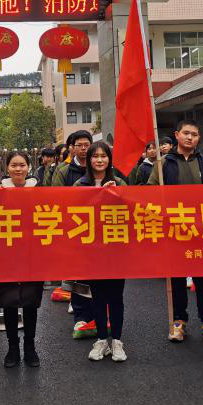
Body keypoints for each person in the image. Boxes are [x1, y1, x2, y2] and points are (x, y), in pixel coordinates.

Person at [149, 120, 203, 346]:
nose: (190, 137)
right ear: (177, 135)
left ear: (198, 138)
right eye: (186, 133)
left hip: (201, 231)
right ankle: (178, 321)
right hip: (174, 231)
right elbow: (150, 192)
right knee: (177, 279)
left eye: (194, 134)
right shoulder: (164, 163)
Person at [73, 141, 129, 362]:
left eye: (103, 156)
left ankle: (117, 341)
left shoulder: (120, 182)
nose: (99, 160)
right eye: (95, 156)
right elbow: (72, 212)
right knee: (97, 297)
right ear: (89, 160)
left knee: (116, 297)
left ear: (109, 159)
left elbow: (131, 211)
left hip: (116, 249)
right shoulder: (80, 184)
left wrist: (116, 194)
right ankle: (101, 339)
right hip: (91, 250)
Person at [0, 151, 43, 367]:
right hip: (6, 255)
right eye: (14, 165)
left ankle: (30, 347)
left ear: (28, 167)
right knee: (9, 302)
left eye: (22, 165)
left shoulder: (39, 190)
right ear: (7, 168)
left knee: (31, 302)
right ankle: (12, 347)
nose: (18, 169)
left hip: (32, 253)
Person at [51, 130, 97, 338]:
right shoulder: (63, 171)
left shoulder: (100, 166)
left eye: (87, 144)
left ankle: (99, 314)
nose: (84, 148)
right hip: (75, 230)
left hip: (99, 231)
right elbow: (57, 199)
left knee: (99, 275)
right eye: (80, 145)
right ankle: (81, 316)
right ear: (72, 148)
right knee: (79, 275)